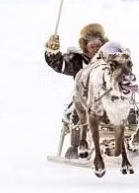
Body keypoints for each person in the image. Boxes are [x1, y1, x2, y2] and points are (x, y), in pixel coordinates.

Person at [45, 23, 109, 158]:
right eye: (92, 47)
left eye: (98, 46)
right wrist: (53, 52)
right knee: (77, 112)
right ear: (85, 47)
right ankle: (76, 146)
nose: (96, 50)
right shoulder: (78, 61)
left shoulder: (111, 59)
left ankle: (129, 142)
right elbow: (60, 64)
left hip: (106, 100)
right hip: (81, 99)